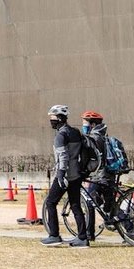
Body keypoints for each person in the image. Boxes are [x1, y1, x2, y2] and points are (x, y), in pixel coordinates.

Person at [42, 105, 88, 248]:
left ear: (60, 118)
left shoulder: (61, 135)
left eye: (53, 118)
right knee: (75, 205)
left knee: (50, 202)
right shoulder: (75, 132)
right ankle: (82, 238)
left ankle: (54, 235)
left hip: (65, 174)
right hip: (76, 174)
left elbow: (63, 156)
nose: (51, 121)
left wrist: (61, 174)